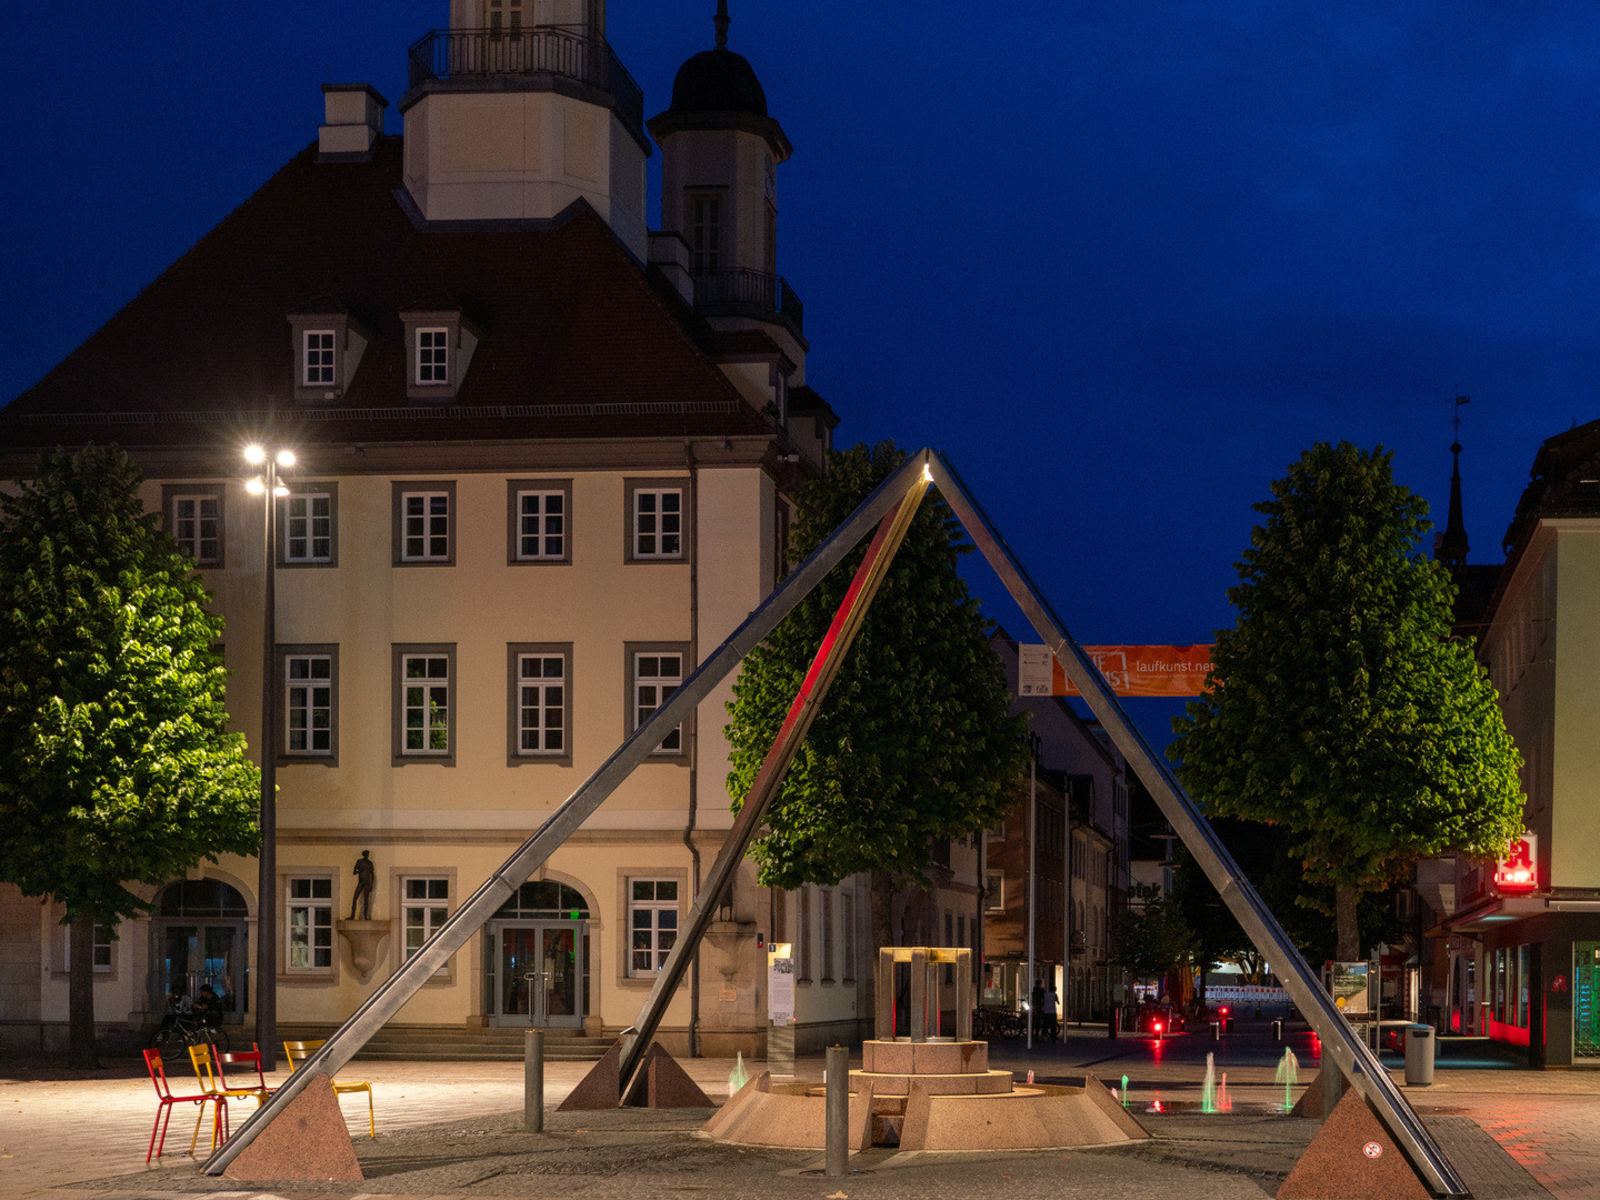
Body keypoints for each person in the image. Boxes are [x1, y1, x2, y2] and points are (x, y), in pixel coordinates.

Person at [350, 849, 375, 920]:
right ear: (364, 855)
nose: (367, 855)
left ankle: (365, 916)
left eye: (368, 854)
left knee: (366, 900)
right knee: (355, 898)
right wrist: (359, 871)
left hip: (367, 883)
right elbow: (354, 872)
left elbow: (372, 875)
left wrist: (371, 885)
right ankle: (352, 915)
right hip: (361, 882)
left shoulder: (370, 863)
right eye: (366, 854)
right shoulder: (359, 861)